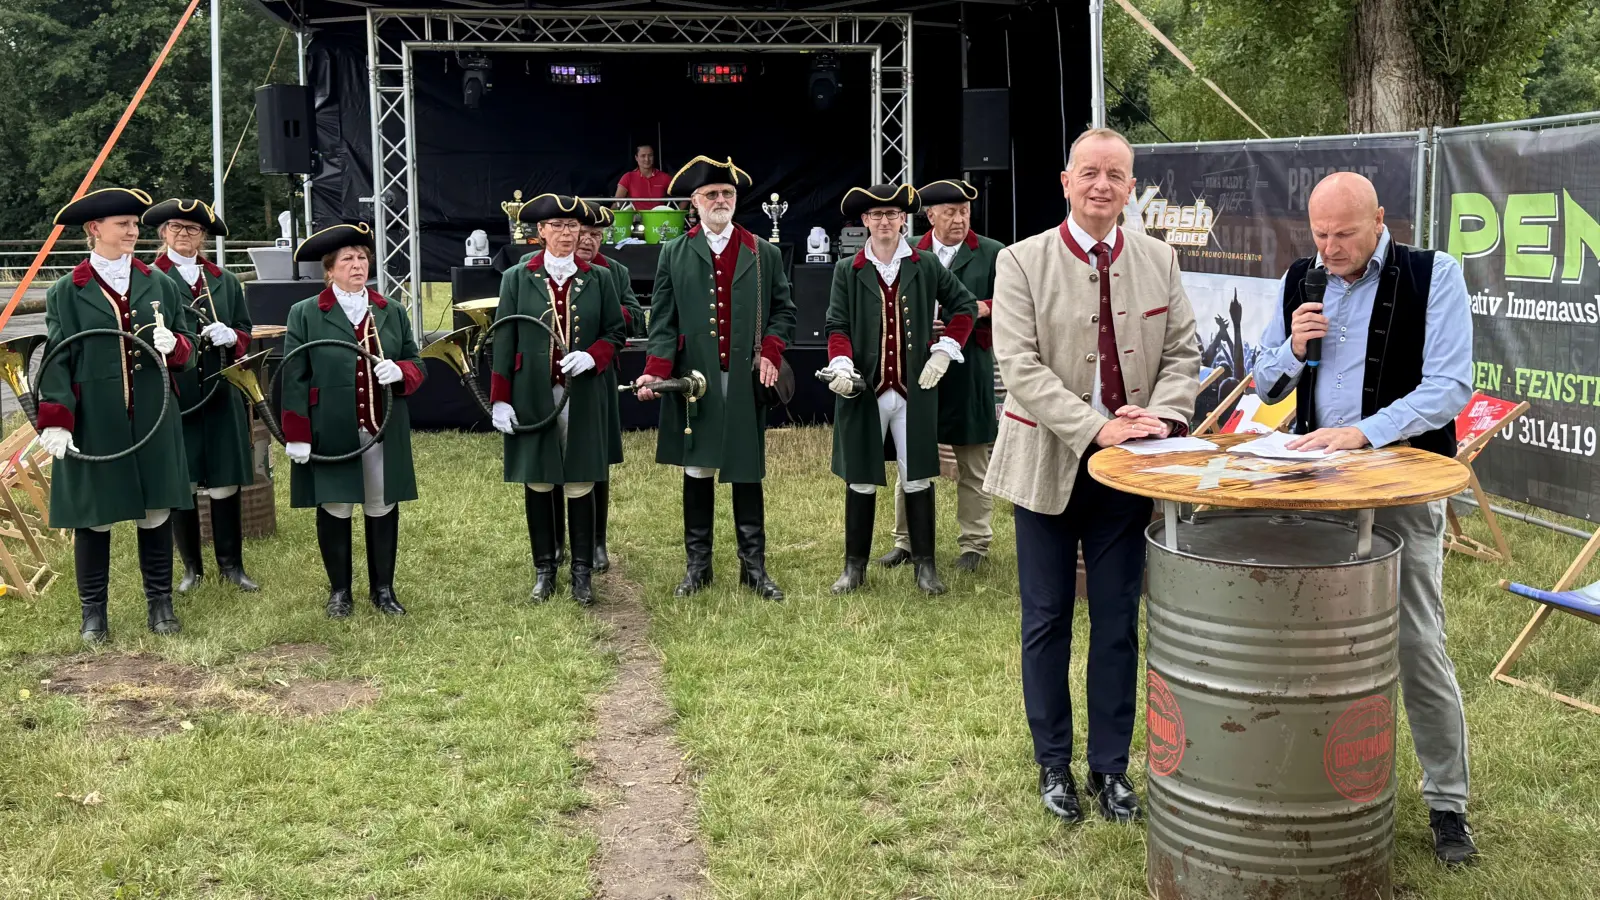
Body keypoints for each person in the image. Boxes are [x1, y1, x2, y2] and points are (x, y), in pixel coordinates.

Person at [1252, 171, 1478, 865]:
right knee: (1307, 642)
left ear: (1379, 218)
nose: (1331, 248)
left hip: (1403, 488)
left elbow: (1450, 388)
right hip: (1316, 492)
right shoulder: (1302, 278)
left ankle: (1448, 805)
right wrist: (1292, 348)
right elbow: (1262, 380)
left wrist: (1367, 432)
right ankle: (1310, 785)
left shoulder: (1433, 274)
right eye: (1319, 235)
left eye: (1345, 234)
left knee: (1415, 642)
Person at [985, 128, 1200, 824]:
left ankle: (1110, 771)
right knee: (1046, 620)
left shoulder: (1160, 260)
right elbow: (1018, 367)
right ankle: (1054, 765)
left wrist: (1161, 417)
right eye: (1089, 173)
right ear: (1066, 181)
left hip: (1127, 475)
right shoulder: (1020, 263)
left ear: (1131, 187)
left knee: (1116, 624)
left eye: (1116, 175)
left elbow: (1182, 354)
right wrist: (1094, 428)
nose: (1102, 185)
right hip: (1046, 464)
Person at [38, 187, 196, 640]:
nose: (133, 231)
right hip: (96, 416)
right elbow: (57, 360)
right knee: (95, 514)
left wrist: (177, 346)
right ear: (95, 230)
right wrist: (55, 419)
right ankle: (94, 613)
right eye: (123, 224)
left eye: (134, 224)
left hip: (153, 411)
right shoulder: (68, 292)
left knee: (155, 510)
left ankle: (160, 604)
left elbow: (187, 342)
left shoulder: (160, 282)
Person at [635, 155, 795, 600]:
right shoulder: (675, 252)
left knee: (746, 469)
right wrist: (655, 372)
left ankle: (754, 567)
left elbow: (784, 311)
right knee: (698, 468)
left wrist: (770, 350)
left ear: (736, 200)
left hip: (744, 381)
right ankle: (698, 566)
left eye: (727, 194)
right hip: (696, 380)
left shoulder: (763, 252)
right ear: (695, 202)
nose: (720, 201)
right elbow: (662, 322)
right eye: (711, 195)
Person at [821, 183, 976, 596]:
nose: (885, 222)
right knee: (860, 477)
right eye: (877, 216)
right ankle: (854, 568)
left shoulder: (924, 264)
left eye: (892, 215)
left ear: (903, 219)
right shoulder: (848, 268)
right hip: (864, 391)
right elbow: (837, 326)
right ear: (865, 222)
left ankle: (925, 568)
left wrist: (945, 350)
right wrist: (841, 363)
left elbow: (964, 307)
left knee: (918, 476)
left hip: (914, 391)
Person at [282, 223, 426, 618]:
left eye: (362, 257)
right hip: (330, 428)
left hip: (382, 426)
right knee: (336, 504)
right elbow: (294, 377)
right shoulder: (306, 314)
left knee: (381, 503)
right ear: (329, 269)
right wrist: (297, 433)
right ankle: (340, 592)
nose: (357, 265)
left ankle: (383, 590)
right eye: (347, 259)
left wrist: (401, 372)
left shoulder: (391, 310)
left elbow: (416, 362)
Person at [491, 195, 626, 605]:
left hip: (584, 393)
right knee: (539, 476)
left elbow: (615, 333)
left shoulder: (598, 278)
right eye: (558, 226)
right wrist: (501, 400)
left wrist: (593, 355)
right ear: (541, 232)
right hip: (533, 394)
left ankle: (582, 573)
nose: (567, 233)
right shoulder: (517, 277)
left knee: (582, 476)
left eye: (573, 227)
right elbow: (505, 338)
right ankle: (544, 570)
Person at [880, 179, 1004, 574]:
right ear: (929, 215)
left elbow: (1015, 302)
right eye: (949, 212)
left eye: (964, 211)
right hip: (918, 369)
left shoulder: (992, 253)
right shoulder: (910, 250)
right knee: (911, 455)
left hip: (969, 369)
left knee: (973, 461)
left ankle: (975, 543)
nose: (959, 219)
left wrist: (978, 309)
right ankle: (906, 539)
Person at [144, 198, 259, 594]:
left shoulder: (224, 280)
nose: (183, 234)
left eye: (192, 229)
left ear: (204, 236)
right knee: (185, 479)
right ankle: (192, 568)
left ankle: (232, 566)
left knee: (226, 477)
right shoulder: (149, 278)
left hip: (221, 386)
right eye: (175, 227)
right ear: (163, 233)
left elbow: (246, 329)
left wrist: (233, 335)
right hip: (177, 391)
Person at [576, 204, 647, 572]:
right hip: (555, 372)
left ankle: (598, 542)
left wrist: (605, 310)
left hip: (599, 374)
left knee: (598, 458)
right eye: (583, 232)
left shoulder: (614, 271)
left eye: (596, 235)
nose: (588, 241)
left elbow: (636, 316)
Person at [614, 143, 671, 209]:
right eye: (643, 156)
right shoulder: (628, 177)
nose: (647, 159)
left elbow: (684, 196)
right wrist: (609, 216)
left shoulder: (665, 177)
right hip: (636, 218)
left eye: (650, 155)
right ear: (636, 158)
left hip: (659, 218)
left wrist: (678, 216)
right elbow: (617, 203)